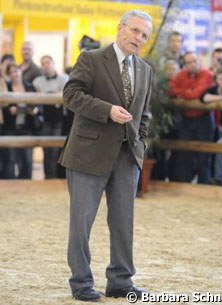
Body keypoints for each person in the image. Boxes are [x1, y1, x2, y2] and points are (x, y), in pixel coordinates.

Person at [58, 9, 153, 302]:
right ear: (121, 28)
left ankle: (121, 281)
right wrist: (107, 111)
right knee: (81, 223)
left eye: (144, 35)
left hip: (127, 158)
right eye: (135, 31)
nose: (139, 38)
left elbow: (144, 114)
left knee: (124, 223)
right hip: (88, 154)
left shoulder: (146, 70)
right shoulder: (91, 59)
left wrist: (140, 145)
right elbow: (71, 95)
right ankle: (82, 282)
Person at [170, 51, 214, 184]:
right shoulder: (181, 75)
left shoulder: (207, 74)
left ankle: (203, 185)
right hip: (186, 118)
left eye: (194, 61)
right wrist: (187, 92)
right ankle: (184, 184)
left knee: (204, 154)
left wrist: (184, 93)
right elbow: (171, 88)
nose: (191, 64)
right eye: (188, 62)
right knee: (184, 154)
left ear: (199, 60)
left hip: (203, 119)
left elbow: (197, 93)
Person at [2, 63, 40, 179]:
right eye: (11, 72)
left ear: (20, 72)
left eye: (16, 71)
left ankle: (26, 183)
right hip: (10, 127)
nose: (14, 74)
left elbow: (36, 106)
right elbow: (4, 108)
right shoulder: (6, 87)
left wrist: (28, 110)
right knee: (11, 158)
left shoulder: (29, 86)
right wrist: (9, 110)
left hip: (27, 126)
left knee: (27, 159)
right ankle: (11, 184)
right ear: (8, 75)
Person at [33, 55, 68, 178]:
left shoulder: (64, 78)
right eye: (43, 63)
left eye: (48, 62)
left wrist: (47, 95)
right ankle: (48, 178)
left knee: (57, 150)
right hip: (45, 120)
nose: (46, 65)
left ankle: (56, 178)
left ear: (53, 63)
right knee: (46, 150)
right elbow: (38, 97)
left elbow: (64, 94)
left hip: (60, 120)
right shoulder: (37, 81)